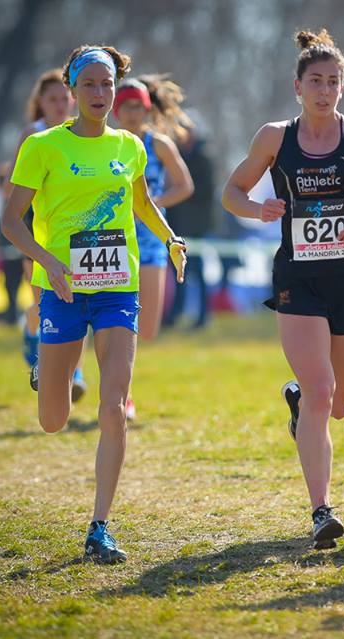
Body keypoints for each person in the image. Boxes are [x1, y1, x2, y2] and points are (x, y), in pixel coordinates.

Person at [222, 29, 344, 549]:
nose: (324, 90)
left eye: (333, 82)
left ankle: (305, 400)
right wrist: (257, 208)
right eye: (315, 81)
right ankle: (321, 511)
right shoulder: (274, 137)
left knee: (340, 403)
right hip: (299, 278)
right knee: (322, 391)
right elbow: (231, 192)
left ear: (342, 88)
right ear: (298, 87)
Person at [1, 45, 187, 564]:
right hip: (61, 290)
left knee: (112, 408)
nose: (100, 93)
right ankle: (45, 370)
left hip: (117, 288)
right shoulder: (43, 147)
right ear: (72, 90)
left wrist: (170, 239)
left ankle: (99, 527)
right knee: (53, 419)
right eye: (89, 85)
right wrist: (47, 262)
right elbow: (11, 222)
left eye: (107, 84)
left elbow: (141, 201)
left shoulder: (130, 146)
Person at [113, 75, 195, 418]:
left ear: (147, 110)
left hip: (150, 242)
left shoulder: (158, 144)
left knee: (146, 329)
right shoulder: (107, 144)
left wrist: (152, 203)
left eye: (139, 107)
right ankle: (122, 395)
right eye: (127, 107)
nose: (133, 113)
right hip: (113, 243)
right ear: (116, 111)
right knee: (116, 323)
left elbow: (185, 185)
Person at [6, 69, 89, 399]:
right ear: (40, 102)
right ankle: (32, 336)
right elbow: (11, 188)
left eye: (63, 98)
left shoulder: (81, 133)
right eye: (51, 99)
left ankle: (76, 373)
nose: (59, 104)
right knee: (44, 305)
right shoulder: (34, 134)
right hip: (36, 234)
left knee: (79, 302)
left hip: (74, 233)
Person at [165, 119, 216, 330]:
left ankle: (203, 315)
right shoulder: (177, 154)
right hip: (177, 225)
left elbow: (204, 192)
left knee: (197, 271)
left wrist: (179, 191)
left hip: (196, 227)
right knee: (178, 271)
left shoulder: (204, 157)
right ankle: (175, 314)